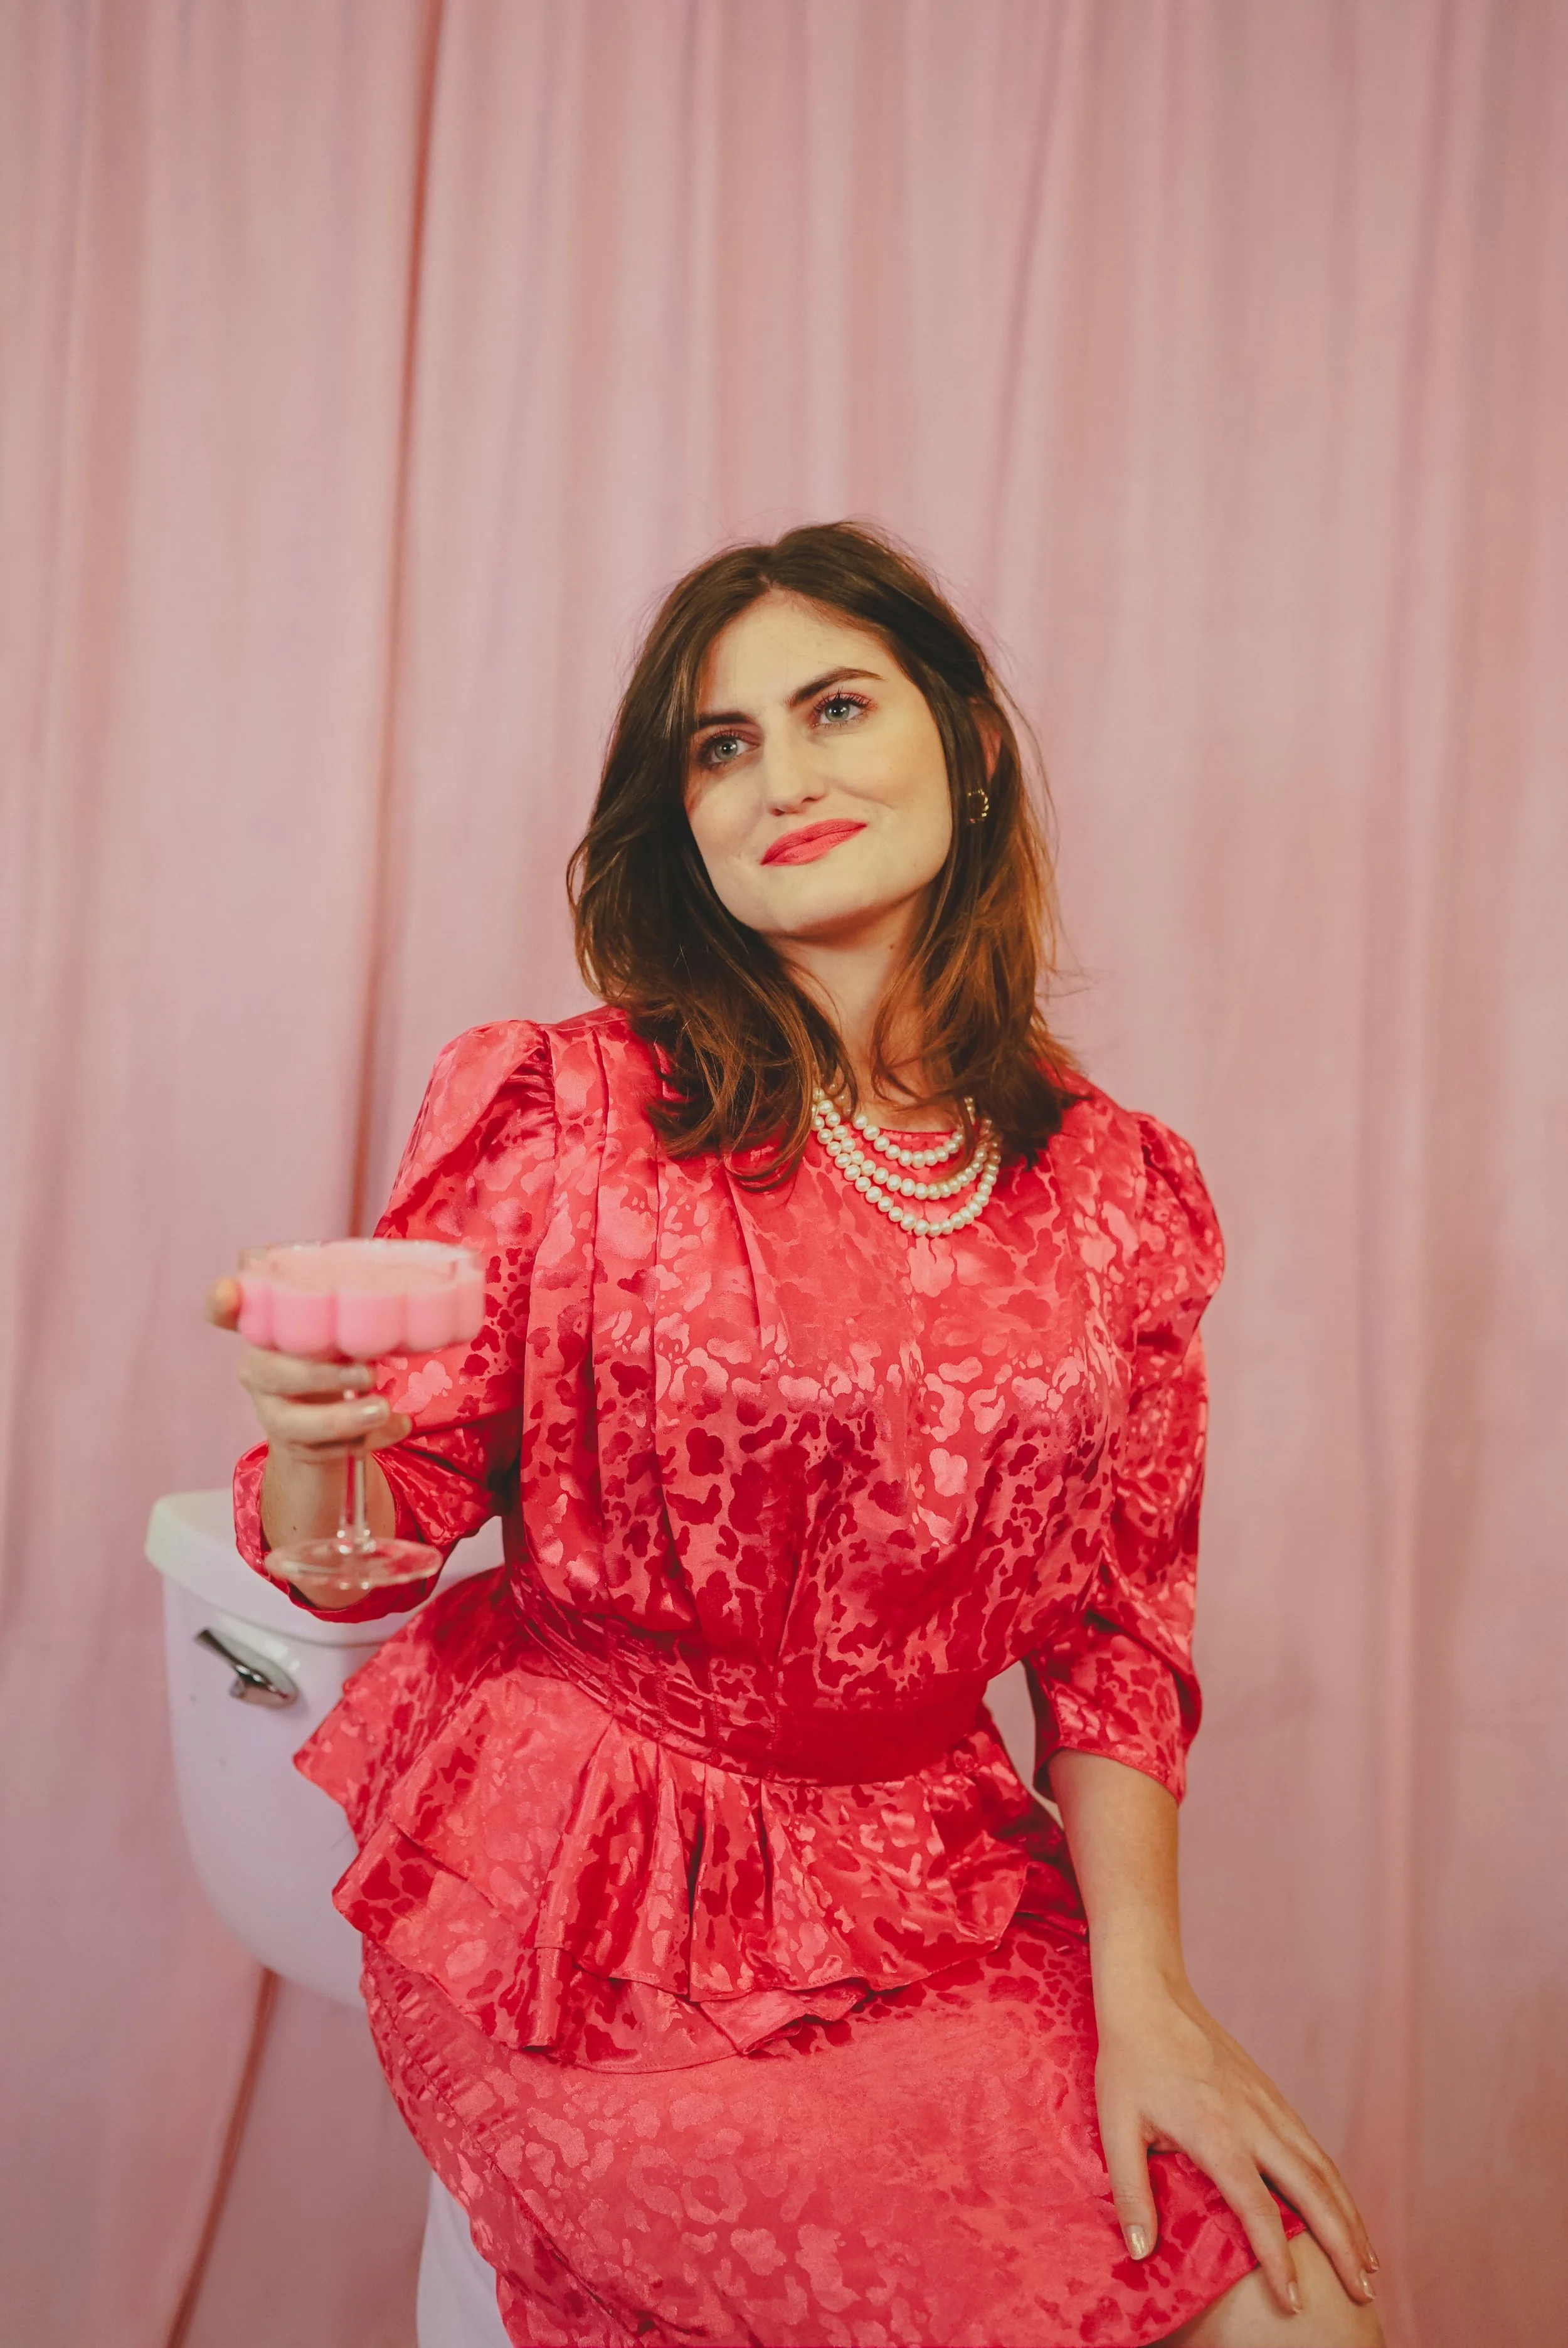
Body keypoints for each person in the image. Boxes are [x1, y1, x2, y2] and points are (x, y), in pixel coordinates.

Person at [208, 523, 1382, 2347]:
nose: (782, 778)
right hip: (579, 1910)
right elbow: (360, 1545)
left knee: (1298, 2309)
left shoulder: (1115, 1190)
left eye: (836, 708)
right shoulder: (567, 1112)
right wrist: (314, 1438)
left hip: (935, 1894)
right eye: (721, 745)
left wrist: (1148, 2000)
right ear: (681, 816)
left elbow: (1117, 1638)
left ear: (966, 743)